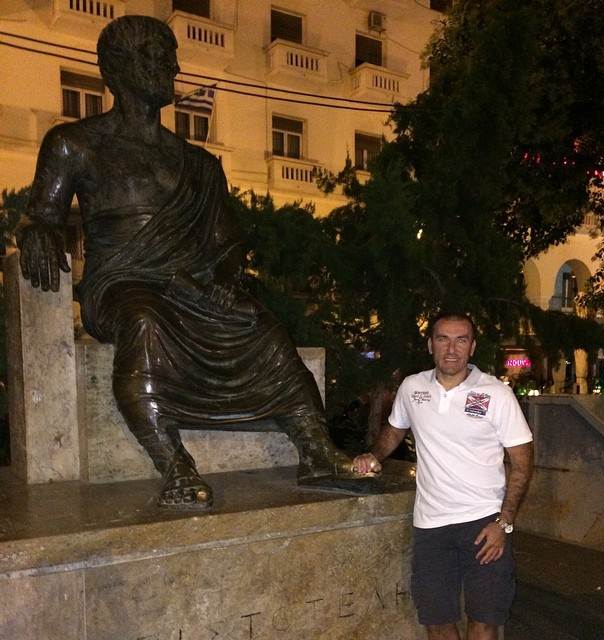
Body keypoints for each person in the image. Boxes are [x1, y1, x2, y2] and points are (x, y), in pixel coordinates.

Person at [18, 15, 365, 510]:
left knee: (264, 328)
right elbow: (42, 215)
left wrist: (223, 278)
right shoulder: (74, 143)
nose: (173, 68)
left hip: (191, 287)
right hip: (121, 284)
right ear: (116, 68)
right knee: (144, 321)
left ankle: (316, 450)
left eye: (170, 57)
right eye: (156, 57)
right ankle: (174, 463)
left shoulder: (199, 164)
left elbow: (227, 244)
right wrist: (38, 233)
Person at [353, 312, 533, 640]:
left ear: (472, 347)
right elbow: (395, 429)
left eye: (461, 340)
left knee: (484, 622)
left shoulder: (496, 394)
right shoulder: (413, 387)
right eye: (443, 339)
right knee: (436, 622)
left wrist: (504, 523)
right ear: (430, 345)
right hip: (431, 527)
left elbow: (522, 464)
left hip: (483, 523)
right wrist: (374, 455)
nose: (452, 349)